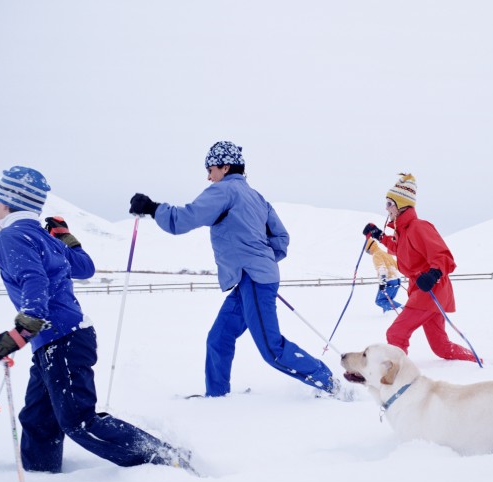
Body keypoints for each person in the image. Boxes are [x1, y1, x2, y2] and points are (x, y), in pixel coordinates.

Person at [0, 166, 193, 474]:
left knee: (78, 421)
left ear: (8, 201)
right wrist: (65, 236)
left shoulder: (11, 236)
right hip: (60, 339)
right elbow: (84, 267)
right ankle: (40, 475)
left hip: (61, 338)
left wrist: (20, 332)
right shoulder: (45, 238)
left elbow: (34, 283)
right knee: (38, 419)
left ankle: (165, 458)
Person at [129, 141, 339, 398]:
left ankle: (329, 383)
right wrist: (262, 260)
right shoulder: (257, 197)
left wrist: (152, 207)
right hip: (249, 279)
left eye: (211, 169)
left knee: (271, 349)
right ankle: (217, 397)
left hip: (254, 279)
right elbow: (281, 238)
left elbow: (182, 219)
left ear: (225, 167)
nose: (209, 176)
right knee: (219, 337)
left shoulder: (223, 191)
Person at [362, 173, 477, 363]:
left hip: (431, 289)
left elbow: (443, 256)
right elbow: (399, 249)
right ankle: (476, 360)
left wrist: (433, 274)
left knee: (396, 333)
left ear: (401, 205)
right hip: (423, 290)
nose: (386, 208)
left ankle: (397, 376)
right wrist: (379, 235)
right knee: (441, 347)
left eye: (390, 203)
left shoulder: (419, 227)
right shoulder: (404, 231)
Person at [365, 237, 403, 313]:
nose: (369, 254)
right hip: (397, 280)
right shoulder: (385, 253)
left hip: (389, 281)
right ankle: (386, 316)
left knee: (380, 300)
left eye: (367, 252)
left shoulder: (376, 255)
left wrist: (382, 282)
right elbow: (396, 265)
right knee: (388, 301)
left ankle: (403, 309)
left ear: (370, 248)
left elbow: (382, 269)